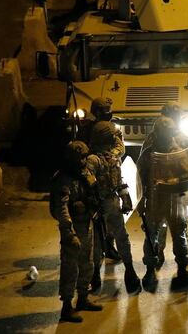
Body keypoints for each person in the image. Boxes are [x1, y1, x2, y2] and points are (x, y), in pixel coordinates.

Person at [137, 117, 188, 291]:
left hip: (175, 201)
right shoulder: (148, 154)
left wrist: (171, 181)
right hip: (155, 201)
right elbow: (139, 178)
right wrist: (140, 200)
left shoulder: (179, 153)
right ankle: (150, 269)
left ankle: (182, 269)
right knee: (151, 236)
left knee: (180, 237)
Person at [51, 141, 103, 323]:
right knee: (70, 268)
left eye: (84, 156)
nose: (83, 160)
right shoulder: (63, 179)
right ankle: (67, 307)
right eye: (80, 157)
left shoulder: (85, 173)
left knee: (87, 264)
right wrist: (69, 233)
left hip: (87, 224)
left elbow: (94, 193)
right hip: (73, 229)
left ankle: (83, 298)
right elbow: (62, 208)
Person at [88, 121, 140, 294]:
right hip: (102, 206)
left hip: (107, 204)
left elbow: (118, 179)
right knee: (109, 239)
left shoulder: (100, 158)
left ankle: (124, 271)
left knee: (105, 240)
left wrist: (125, 196)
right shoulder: (106, 158)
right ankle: (99, 273)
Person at [76, 97, 123, 263]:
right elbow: (79, 152)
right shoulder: (86, 129)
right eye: (105, 112)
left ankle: (108, 246)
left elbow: (120, 147)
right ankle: (93, 256)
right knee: (95, 222)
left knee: (110, 219)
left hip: (109, 172)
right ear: (96, 112)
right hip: (92, 175)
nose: (108, 114)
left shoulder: (110, 128)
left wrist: (112, 156)